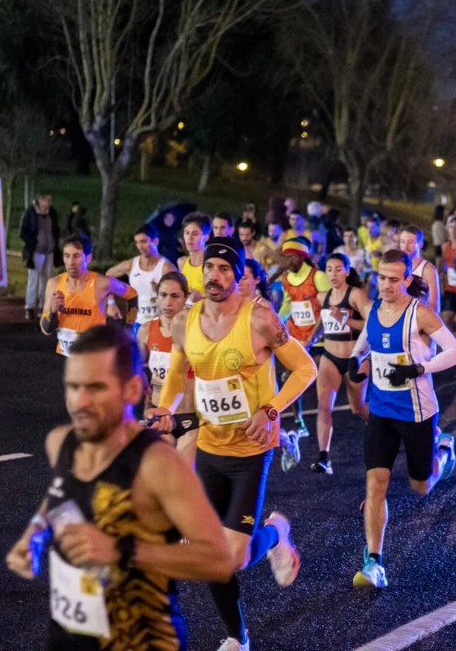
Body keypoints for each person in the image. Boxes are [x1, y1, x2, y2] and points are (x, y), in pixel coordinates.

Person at [6, 323, 234, 649]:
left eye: (96, 387)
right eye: (73, 386)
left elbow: (219, 560)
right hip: (71, 635)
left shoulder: (158, 464)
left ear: (132, 389)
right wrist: (35, 533)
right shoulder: (61, 443)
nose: (80, 401)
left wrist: (121, 551)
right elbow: (61, 492)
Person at [149, 239, 314, 651]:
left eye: (225, 269)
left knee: (234, 557)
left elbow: (305, 369)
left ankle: (275, 532)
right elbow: (176, 371)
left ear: (238, 276)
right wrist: (164, 406)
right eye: (210, 267)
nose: (216, 275)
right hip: (209, 445)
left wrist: (271, 410)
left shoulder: (259, 319)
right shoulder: (185, 320)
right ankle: (237, 637)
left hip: (250, 451)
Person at [348, 249, 456, 588]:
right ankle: (374, 562)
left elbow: (455, 352)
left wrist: (419, 368)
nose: (386, 285)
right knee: (375, 483)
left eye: (394, 279)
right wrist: (356, 360)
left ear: (408, 280)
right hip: (381, 411)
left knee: (421, 486)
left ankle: (444, 452)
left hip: (417, 413)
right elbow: (366, 341)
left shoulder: (420, 314)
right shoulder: (373, 309)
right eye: (381, 278)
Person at [312, 253, 371, 474]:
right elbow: (323, 320)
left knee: (358, 408)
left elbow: (370, 323)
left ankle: (384, 429)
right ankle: (323, 457)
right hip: (330, 357)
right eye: (329, 269)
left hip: (355, 357)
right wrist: (310, 341)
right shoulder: (323, 297)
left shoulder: (355, 295)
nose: (333, 274)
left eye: (338, 269)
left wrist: (345, 319)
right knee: (323, 406)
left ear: (347, 271)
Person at [40, 235, 135, 355]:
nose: (70, 262)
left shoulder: (102, 283)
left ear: (88, 258)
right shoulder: (54, 284)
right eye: (67, 256)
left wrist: (130, 327)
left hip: (93, 358)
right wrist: (53, 312)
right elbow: (46, 330)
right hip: (66, 358)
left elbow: (132, 294)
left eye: (76, 256)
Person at [277, 235, 330, 447]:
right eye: (285, 256)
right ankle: (299, 422)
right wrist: (276, 320)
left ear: (301, 256)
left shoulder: (318, 277)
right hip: (296, 337)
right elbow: (288, 305)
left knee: (321, 383)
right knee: (290, 378)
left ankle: (326, 424)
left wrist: (313, 337)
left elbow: (328, 309)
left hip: (319, 339)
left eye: (290, 256)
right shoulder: (286, 279)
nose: (287, 261)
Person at [105, 224, 176, 331]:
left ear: (155, 241)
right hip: (136, 323)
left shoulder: (166, 267)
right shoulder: (131, 265)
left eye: (143, 241)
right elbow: (108, 276)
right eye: (137, 242)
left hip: (159, 324)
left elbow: (178, 294)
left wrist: (160, 290)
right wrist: (111, 303)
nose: (140, 247)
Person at [138, 270, 191, 410]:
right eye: (163, 295)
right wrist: (147, 391)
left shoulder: (196, 329)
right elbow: (135, 368)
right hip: (159, 407)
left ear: (186, 297)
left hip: (189, 410)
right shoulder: (146, 330)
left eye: (175, 296)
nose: (168, 302)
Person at [20, 193, 60, 321]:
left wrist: (55, 243)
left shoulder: (52, 213)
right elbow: (23, 232)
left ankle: (44, 306)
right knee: (34, 280)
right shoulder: (30, 213)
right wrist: (33, 243)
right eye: (47, 200)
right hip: (36, 252)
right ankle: (30, 307)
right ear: (40, 200)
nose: (50, 202)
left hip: (49, 252)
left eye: (50, 200)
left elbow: (56, 230)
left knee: (47, 280)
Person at [398, 224, 441, 313]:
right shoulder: (397, 265)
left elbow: (435, 305)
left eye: (410, 242)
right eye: (402, 242)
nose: (405, 246)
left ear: (420, 244)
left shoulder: (428, 270)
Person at [179, 212, 212, 301]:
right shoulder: (181, 262)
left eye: (195, 233)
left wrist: (200, 299)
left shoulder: (211, 266)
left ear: (206, 237)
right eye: (187, 233)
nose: (189, 238)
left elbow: (220, 300)